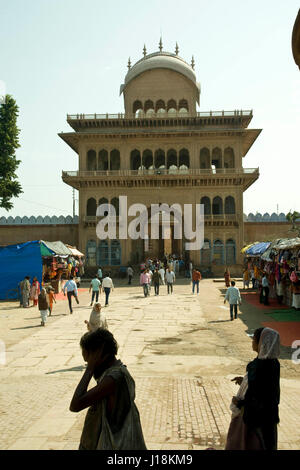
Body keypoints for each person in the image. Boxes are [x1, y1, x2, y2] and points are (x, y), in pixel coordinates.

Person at [70, 328, 147, 450]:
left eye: (89, 359)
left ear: (98, 354)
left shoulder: (113, 379)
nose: (88, 363)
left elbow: (75, 405)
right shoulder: (115, 372)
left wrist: (90, 368)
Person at [225, 327, 280, 450]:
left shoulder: (260, 367)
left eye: (254, 340)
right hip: (269, 417)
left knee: (247, 443)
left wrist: (240, 403)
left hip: (254, 419)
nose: (252, 342)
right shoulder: (273, 363)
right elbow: (261, 389)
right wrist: (245, 381)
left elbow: (259, 397)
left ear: (262, 343)